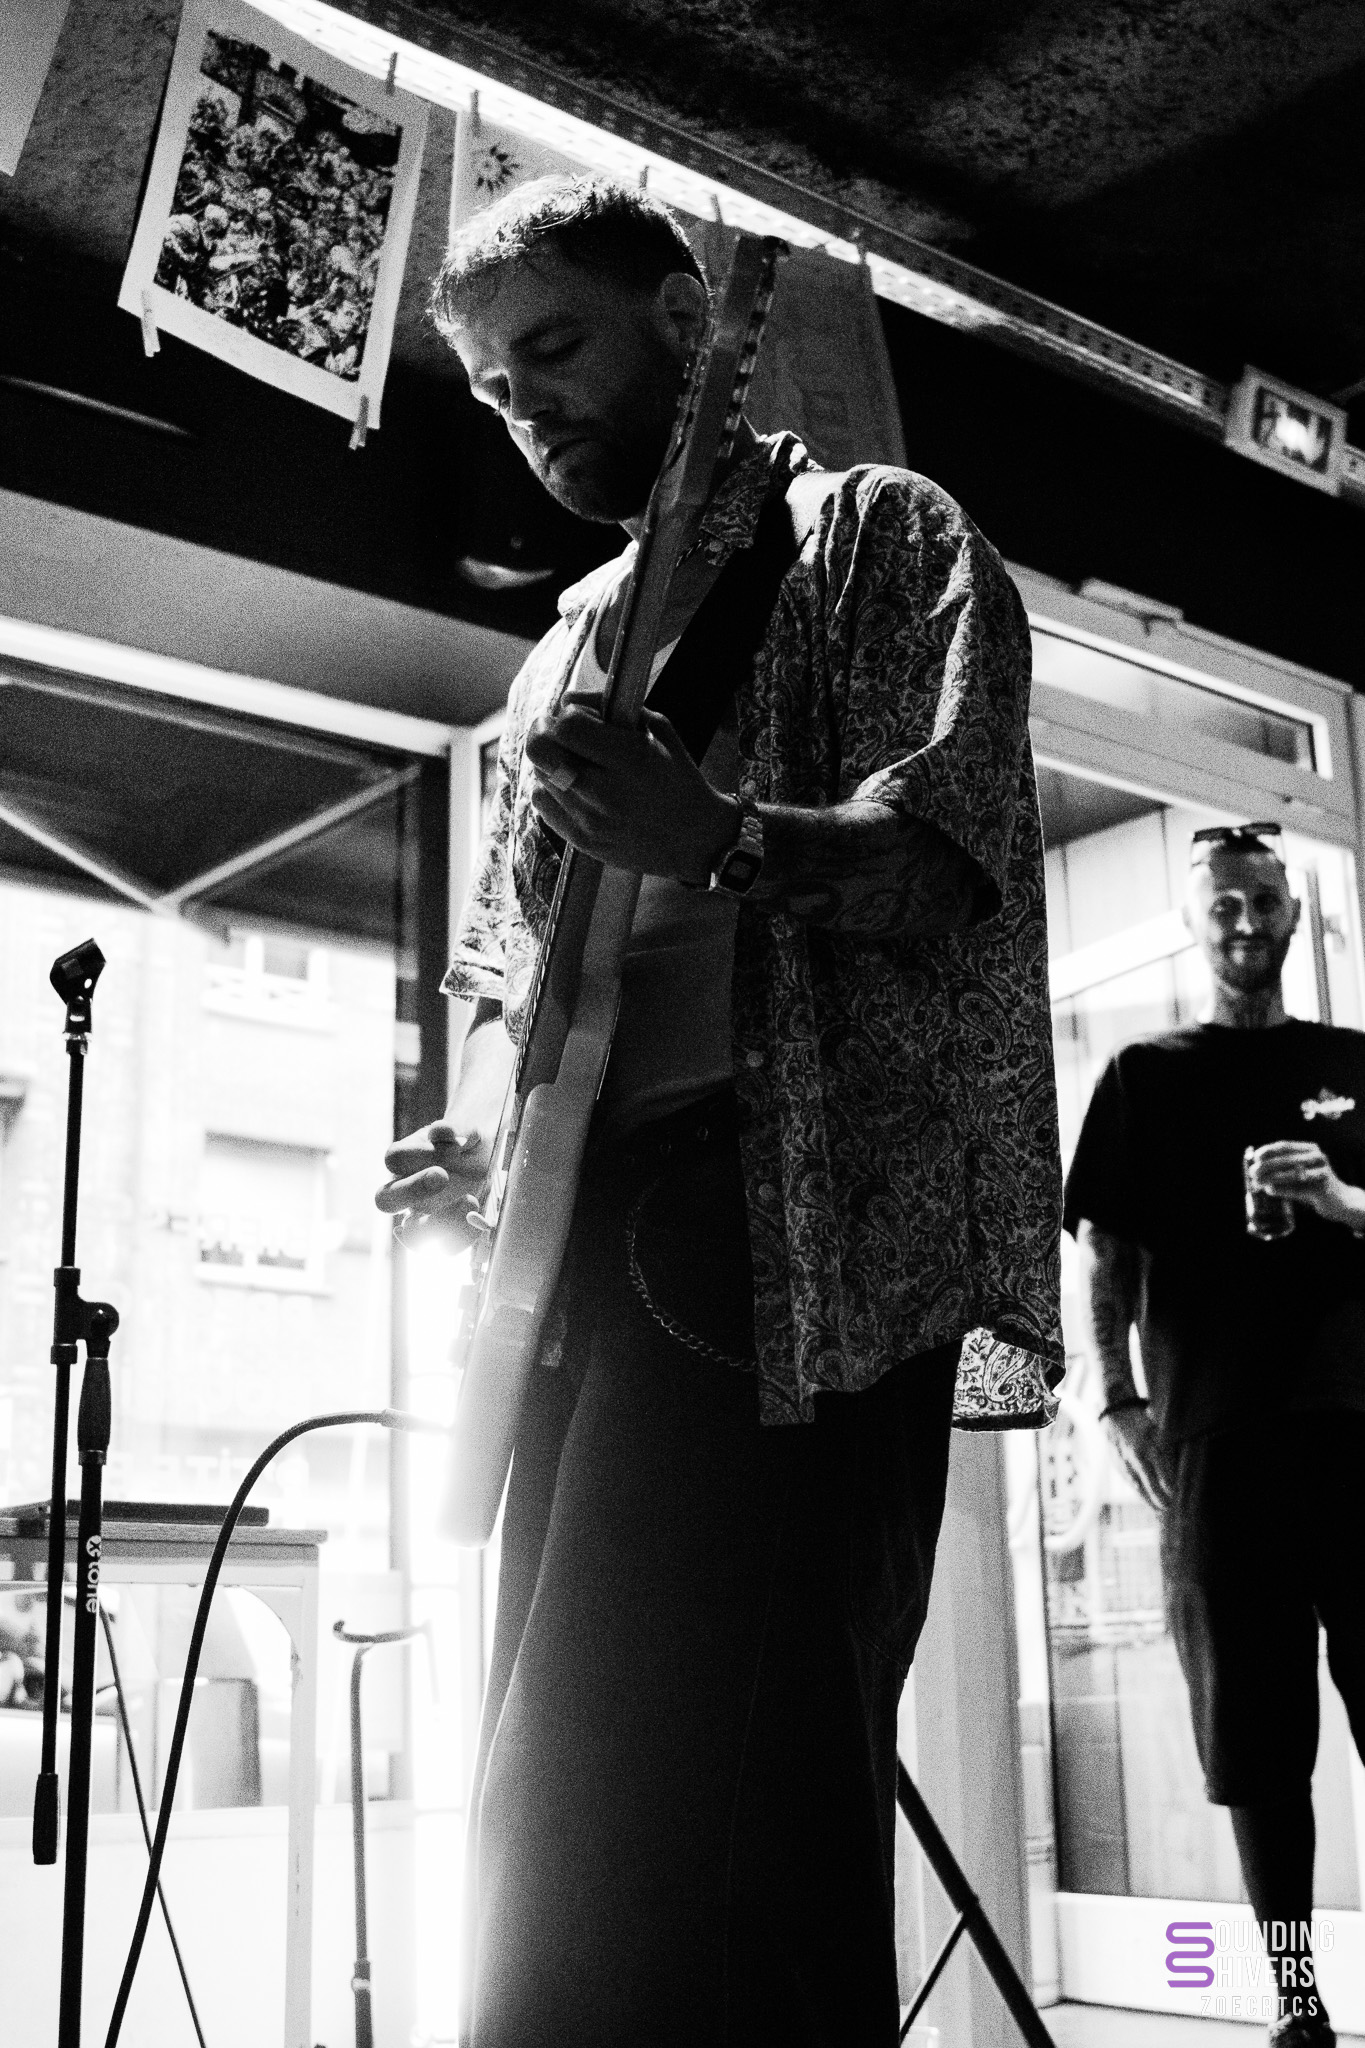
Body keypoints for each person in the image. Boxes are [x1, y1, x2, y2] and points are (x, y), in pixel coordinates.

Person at [376, 174, 1062, 2048]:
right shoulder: (567, 645)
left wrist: (722, 837)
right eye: (493, 388)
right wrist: (488, 1134)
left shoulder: (881, 536)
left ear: (689, 325)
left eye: (553, 348)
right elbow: (524, 967)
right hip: (586, 1257)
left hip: (797, 1246)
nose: (525, 409)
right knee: (561, 1809)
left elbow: (949, 856)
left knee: (740, 1816)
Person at [1064, 823, 1365, 2048]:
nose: (1245, 922)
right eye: (1223, 905)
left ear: (1293, 914)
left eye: (1261, 901)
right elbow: (1107, 1258)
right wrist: (1115, 1400)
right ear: (1197, 923)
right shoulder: (1145, 1075)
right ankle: (1295, 1998)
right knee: (1255, 1744)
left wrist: (1338, 1196)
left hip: (1358, 1435)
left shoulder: (1353, 1063)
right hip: (1217, 1447)